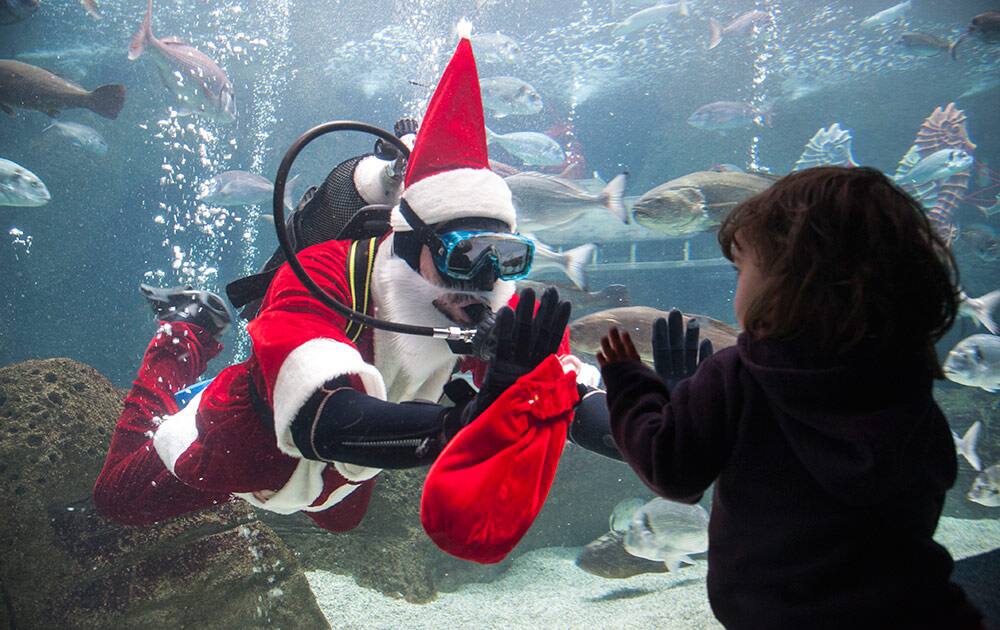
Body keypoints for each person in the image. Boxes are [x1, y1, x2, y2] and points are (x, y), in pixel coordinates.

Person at [93, 31, 592, 550]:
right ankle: (187, 332)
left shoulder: (495, 305)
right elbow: (321, 420)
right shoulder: (324, 271)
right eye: (462, 254)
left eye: (506, 257)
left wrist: (652, 429)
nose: (486, 279)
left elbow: (575, 396)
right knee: (118, 500)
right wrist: (467, 421)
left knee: (340, 520)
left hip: (353, 465)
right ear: (411, 239)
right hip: (251, 440)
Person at [596, 166, 983, 628]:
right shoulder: (905, 379)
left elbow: (674, 472)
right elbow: (933, 479)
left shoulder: (740, 373)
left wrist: (631, 384)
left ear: (787, 279)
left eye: (741, 269)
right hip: (914, 609)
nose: (736, 285)